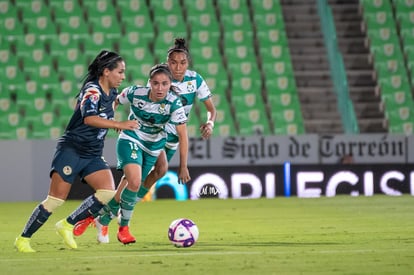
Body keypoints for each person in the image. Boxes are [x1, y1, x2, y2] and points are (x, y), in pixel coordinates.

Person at [74, 38, 216, 244]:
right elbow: (123, 99)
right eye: (173, 62)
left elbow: (211, 111)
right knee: (134, 178)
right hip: (148, 134)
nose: (177, 67)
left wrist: (209, 123)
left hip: (166, 137)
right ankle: (118, 218)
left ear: (188, 63)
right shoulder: (154, 82)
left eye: (182, 62)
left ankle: (116, 211)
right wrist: (113, 122)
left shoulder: (195, 82)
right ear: (166, 64)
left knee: (159, 172)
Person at [14, 50, 139, 252]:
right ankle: (23, 239)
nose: (123, 76)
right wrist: (118, 123)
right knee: (56, 200)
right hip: (72, 148)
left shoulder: (113, 93)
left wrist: (111, 123)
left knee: (107, 192)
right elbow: (88, 118)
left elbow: (102, 116)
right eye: (120, 72)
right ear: (106, 71)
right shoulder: (92, 91)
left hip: (92, 152)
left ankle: (67, 224)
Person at [81, 63, 190, 244]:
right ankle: (124, 228)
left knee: (133, 185)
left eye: (164, 84)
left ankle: (104, 218)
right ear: (149, 83)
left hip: (154, 145)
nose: (160, 88)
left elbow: (183, 135)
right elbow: (114, 101)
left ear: (170, 84)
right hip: (131, 138)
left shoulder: (174, 103)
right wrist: (114, 121)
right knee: (134, 181)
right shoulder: (135, 92)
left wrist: (183, 165)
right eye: (155, 83)